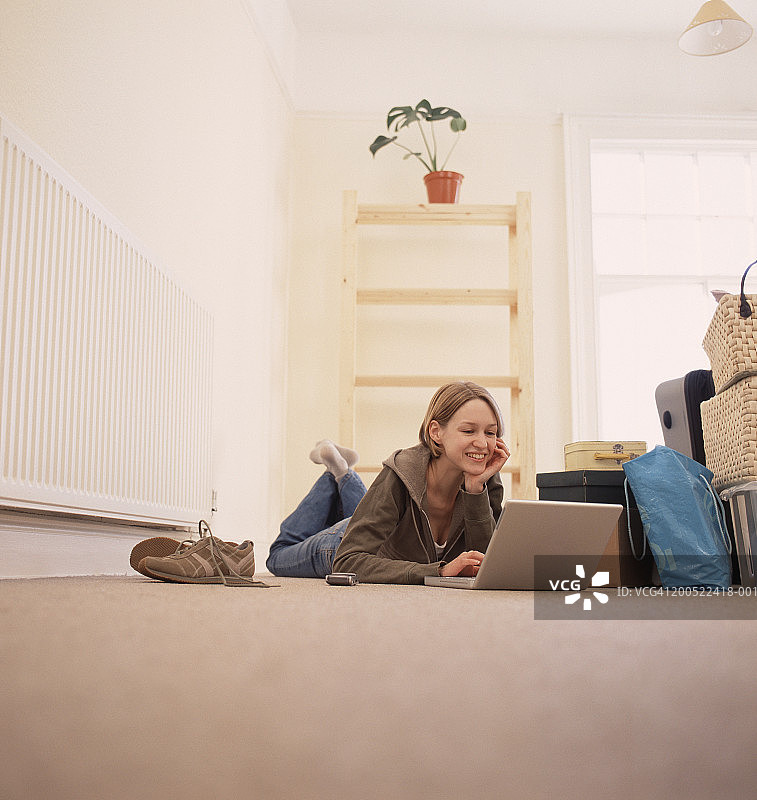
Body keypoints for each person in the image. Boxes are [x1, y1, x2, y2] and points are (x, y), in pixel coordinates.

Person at [265, 381, 510, 584]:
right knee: (277, 556)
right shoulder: (401, 472)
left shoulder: (484, 479)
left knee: (369, 510)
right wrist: (437, 571)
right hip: (343, 543)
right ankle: (335, 473)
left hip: (382, 527)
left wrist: (475, 491)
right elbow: (347, 560)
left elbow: (487, 565)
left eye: (490, 432)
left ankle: (343, 471)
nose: (483, 443)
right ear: (436, 432)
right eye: (469, 431)